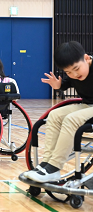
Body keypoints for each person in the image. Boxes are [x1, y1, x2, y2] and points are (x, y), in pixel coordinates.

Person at [22, 41, 93, 183]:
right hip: (88, 106)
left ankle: (54, 166)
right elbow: (65, 83)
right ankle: (46, 164)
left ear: (86, 58)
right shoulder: (74, 74)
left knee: (71, 119)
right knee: (54, 115)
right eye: (68, 72)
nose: (74, 74)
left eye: (76, 69)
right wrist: (58, 85)